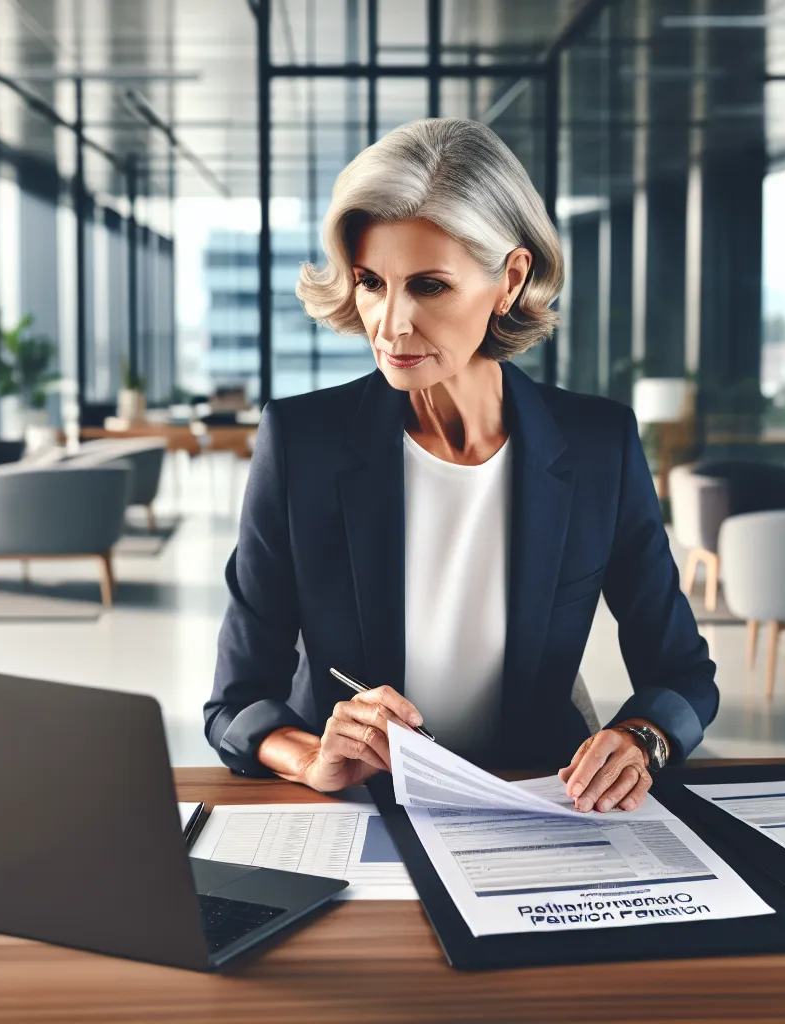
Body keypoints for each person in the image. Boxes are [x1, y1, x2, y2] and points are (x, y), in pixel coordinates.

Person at [205, 118, 716, 813]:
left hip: (538, 806)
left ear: (510, 279)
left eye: (429, 286)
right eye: (371, 283)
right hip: (362, 811)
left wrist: (641, 738)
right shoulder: (301, 442)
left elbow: (683, 673)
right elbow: (236, 702)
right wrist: (310, 759)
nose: (391, 324)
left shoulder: (599, 444)